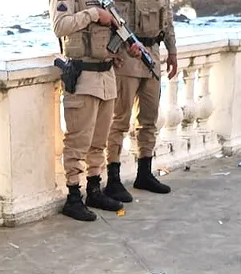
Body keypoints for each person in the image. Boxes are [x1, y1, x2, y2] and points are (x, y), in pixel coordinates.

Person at [50, 0, 143, 222]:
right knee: (77, 142)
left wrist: (128, 48)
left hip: (106, 77)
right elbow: (60, 26)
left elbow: (111, 31)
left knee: (99, 141)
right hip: (83, 78)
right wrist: (93, 14)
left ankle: (94, 190)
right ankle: (73, 197)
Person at [104, 0, 178, 202]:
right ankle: (113, 179)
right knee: (119, 120)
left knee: (149, 119)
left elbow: (167, 18)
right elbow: (108, 19)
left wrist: (172, 51)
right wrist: (111, 53)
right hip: (126, 55)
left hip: (152, 54)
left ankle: (144, 173)